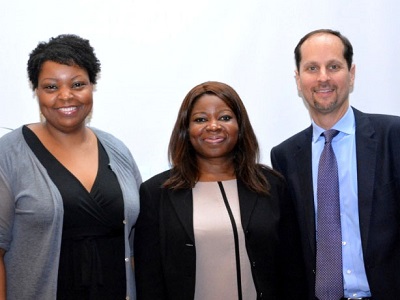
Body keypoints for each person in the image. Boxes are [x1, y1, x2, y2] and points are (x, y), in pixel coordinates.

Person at [134, 81, 307, 300]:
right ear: (186, 130)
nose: (213, 126)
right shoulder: (156, 193)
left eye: (225, 117)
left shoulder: (271, 185)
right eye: (200, 119)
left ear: (240, 126)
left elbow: (292, 270)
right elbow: (149, 280)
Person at [0, 34, 141, 300]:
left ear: (92, 86)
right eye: (51, 87)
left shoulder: (117, 150)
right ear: (36, 90)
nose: (66, 96)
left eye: (77, 84)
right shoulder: (8, 155)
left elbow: (136, 246)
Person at [271, 29, 400, 300]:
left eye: (333, 66)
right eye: (311, 68)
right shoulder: (284, 156)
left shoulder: (393, 136)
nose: (323, 78)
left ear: (351, 74)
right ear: (298, 79)